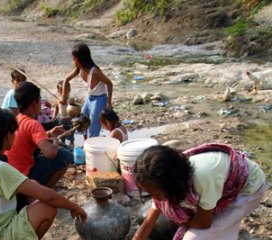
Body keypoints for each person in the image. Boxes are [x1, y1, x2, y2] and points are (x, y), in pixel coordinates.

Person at [0, 108, 87, 240]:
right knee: (47, 207)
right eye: (14, 133)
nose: (15, 136)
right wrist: (74, 207)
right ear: (7, 136)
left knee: (34, 187)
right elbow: (48, 196)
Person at [132, 143, 266, 240]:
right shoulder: (169, 173)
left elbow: (203, 223)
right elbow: (150, 219)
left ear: (170, 185)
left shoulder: (200, 179)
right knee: (221, 229)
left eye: (156, 194)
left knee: (194, 237)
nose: (155, 198)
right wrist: (139, 235)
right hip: (220, 184)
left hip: (248, 188)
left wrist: (180, 222)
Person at [5, 81, 74, 209]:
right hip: (23, 177)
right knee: (65, 156)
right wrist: (54, 140)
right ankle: (39, 195)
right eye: (39, 101)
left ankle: (35, 193)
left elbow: (27, 136)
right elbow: (51, 153)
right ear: (34, 103)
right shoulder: (33, 123)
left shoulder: (16, 119)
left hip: (10, 176)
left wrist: (47, 133)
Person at [60, 42, 113, 138]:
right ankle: (86, 143)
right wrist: (63, 97)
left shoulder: (95, 72)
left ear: (81, 59)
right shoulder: (79, 69)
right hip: (89, 98)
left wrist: (109, 103)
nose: (73, 62)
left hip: (100, 99)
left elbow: (109, 84)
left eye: (74, 59)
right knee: (82, 120)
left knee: (93, 124)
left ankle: (92, 143)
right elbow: (66, 79)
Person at [53, 80, 74, 145]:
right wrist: (54, 115)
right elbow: (56, 108)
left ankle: (71, 143)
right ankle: (63, 143)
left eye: (65, 91)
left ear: (69, 90)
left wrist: (66, 104)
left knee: (71, 133)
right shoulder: (57, 99)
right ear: (58, 91)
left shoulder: (71, 99)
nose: (63, 93)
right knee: (62, 133)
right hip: (61, 119)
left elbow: (74, 109)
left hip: (69, 119)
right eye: (61, 91)